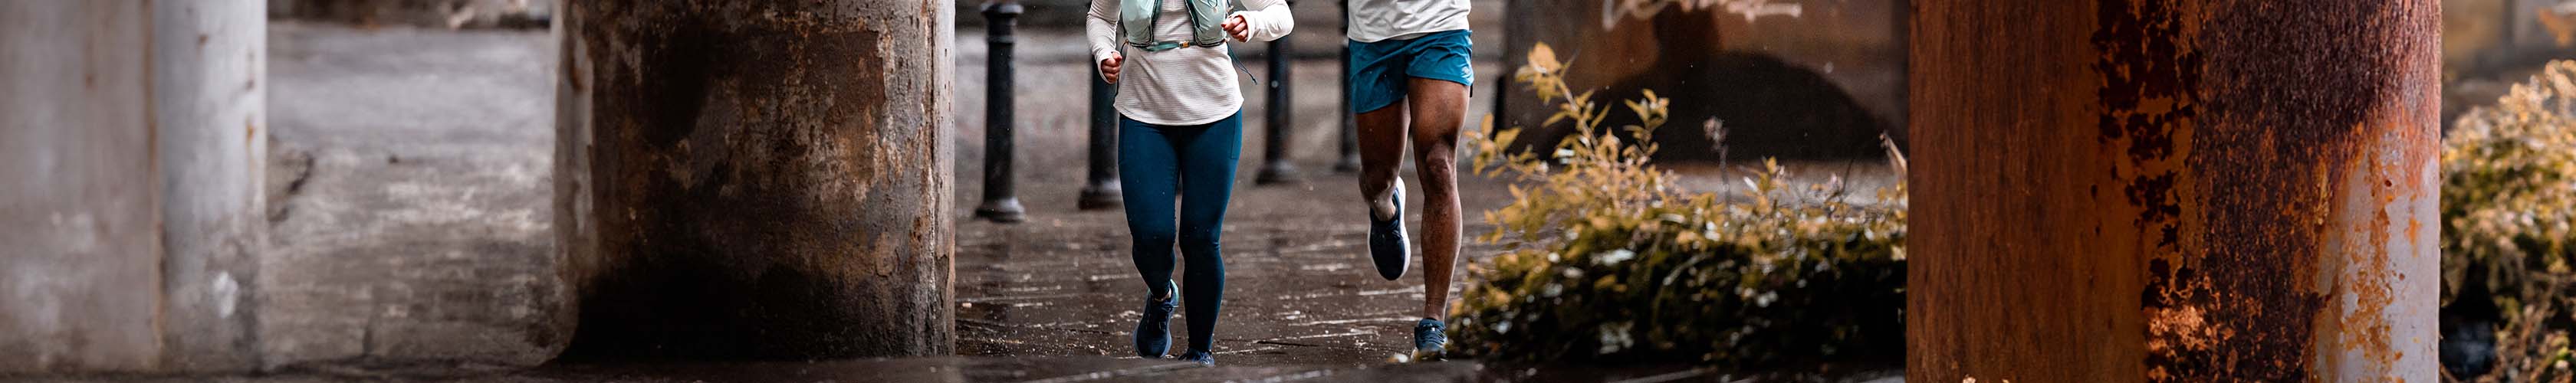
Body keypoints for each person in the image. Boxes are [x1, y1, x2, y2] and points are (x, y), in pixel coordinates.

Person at [1086, 0, 1291, 366]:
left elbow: (1282, 15)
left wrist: (1252, 22)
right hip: (1143, 112)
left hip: (1215, 113)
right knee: (1151, 236)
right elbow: (1101, 16)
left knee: (1201, 237)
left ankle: (1200, 351)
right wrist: (1104, 53)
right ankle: (1162, 296)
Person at [1343, 0, 1474, 361]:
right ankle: (1385, 207)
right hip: (1374, 33)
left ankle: (1434, 319)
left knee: (1439, 164)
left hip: (1441, 25)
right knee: (1377, 176)